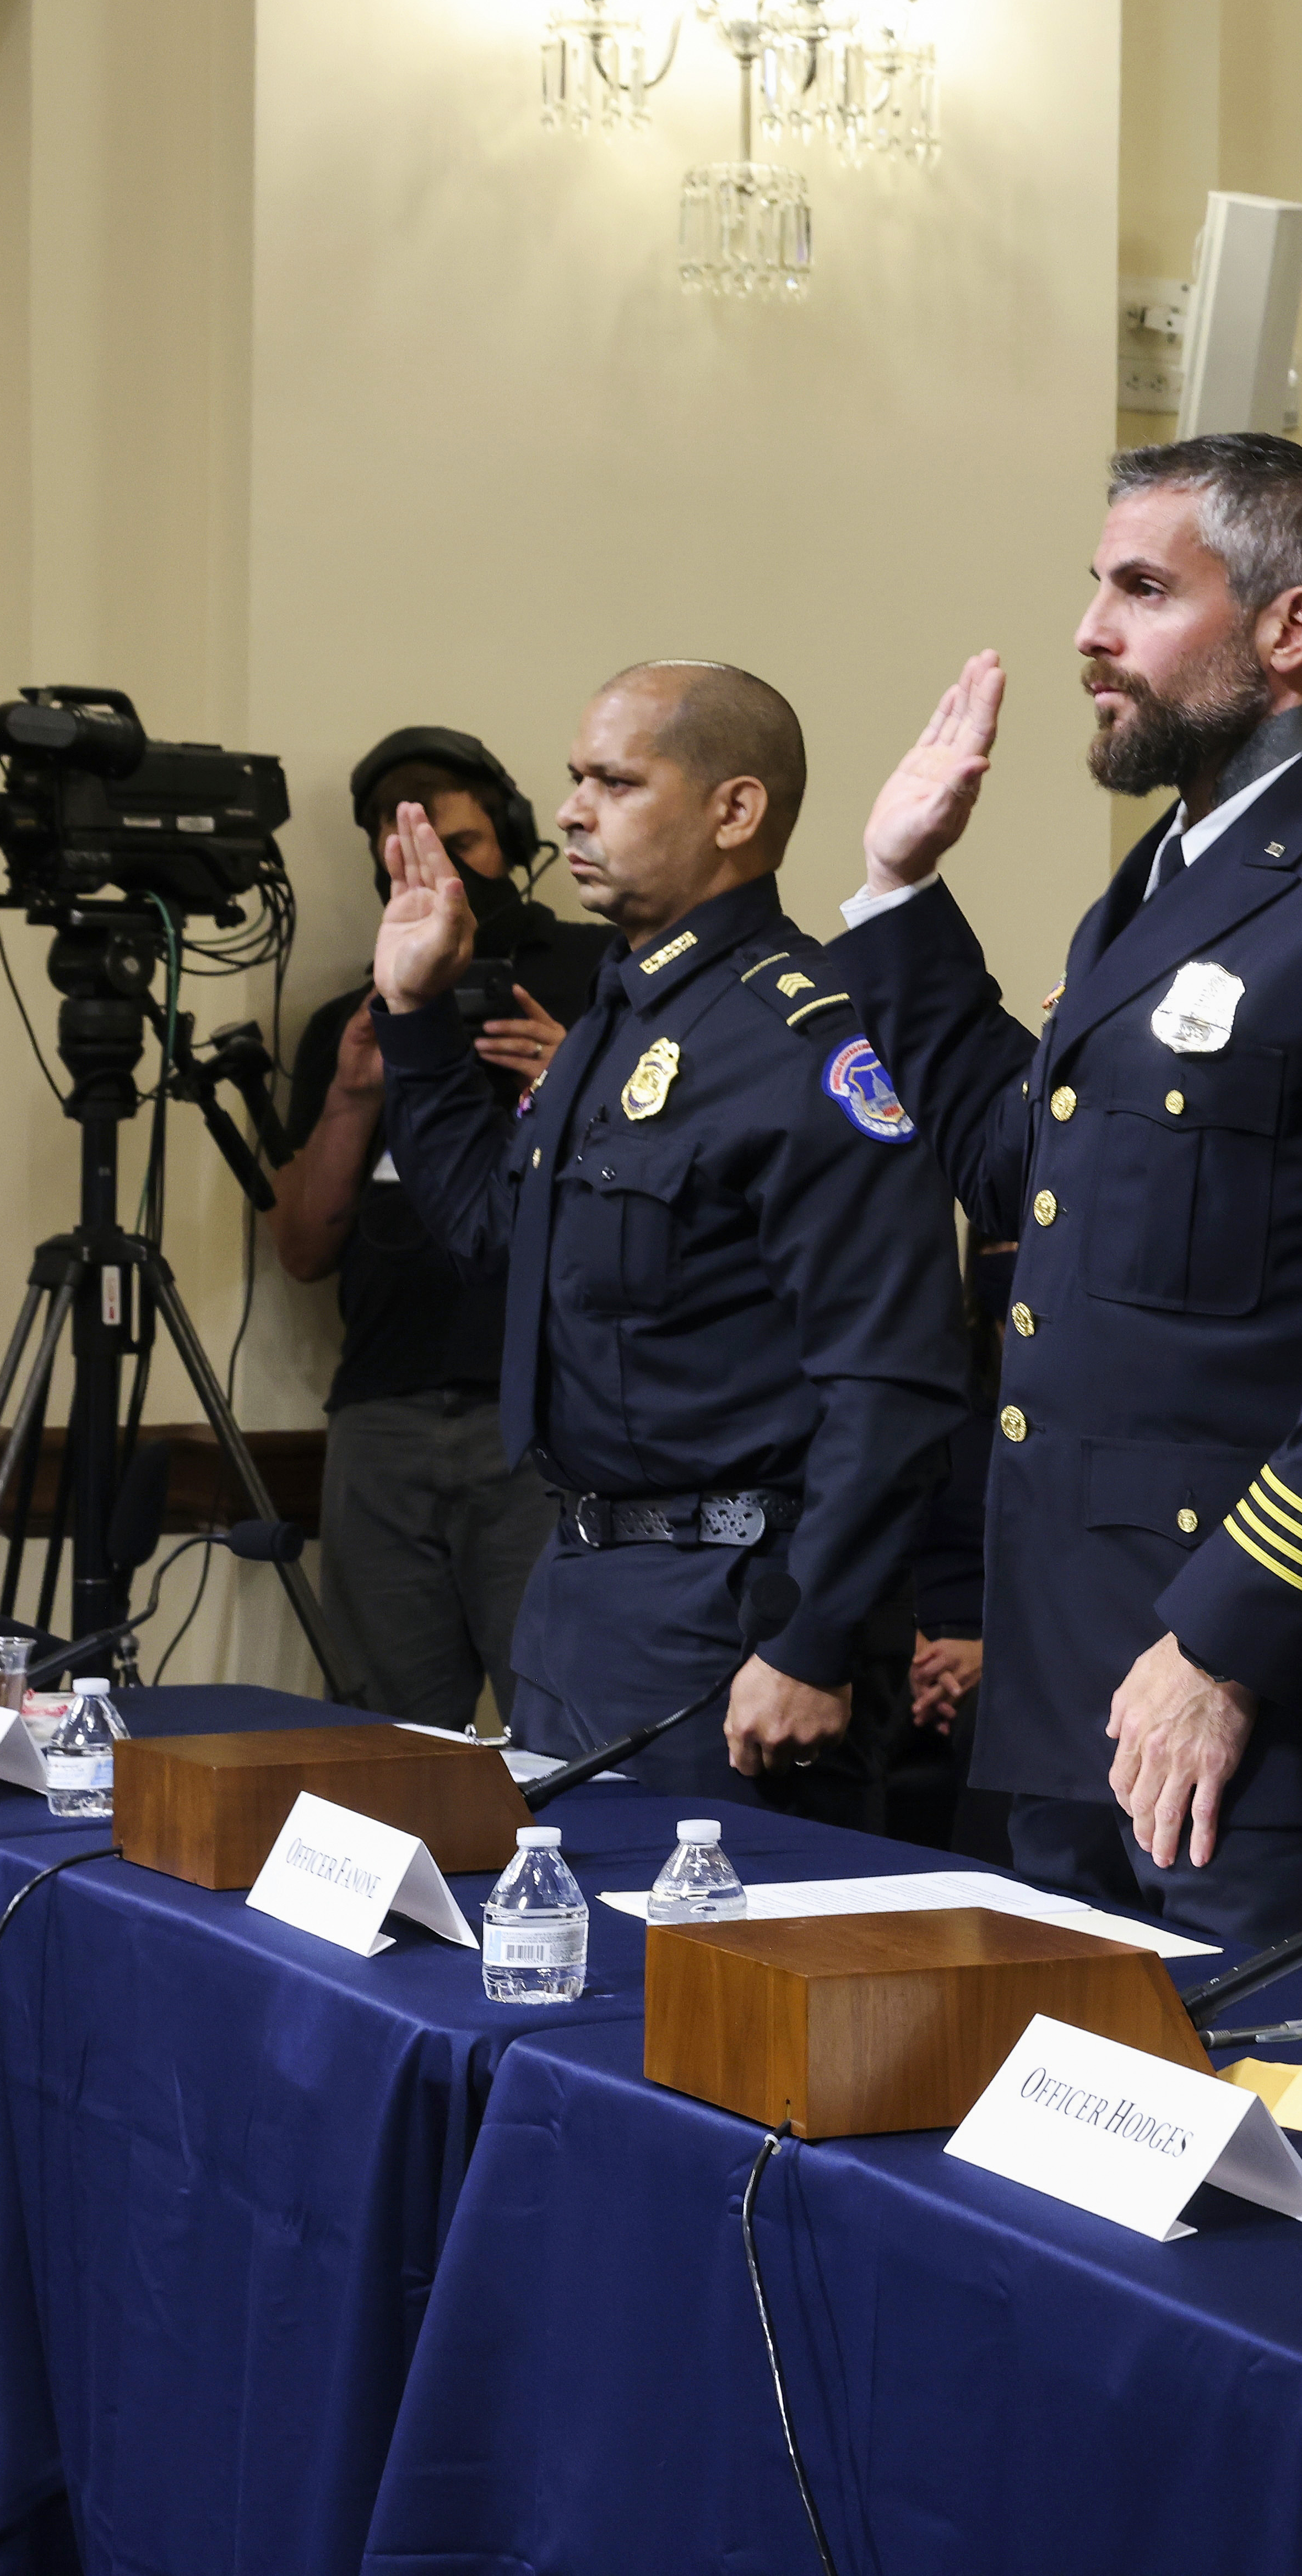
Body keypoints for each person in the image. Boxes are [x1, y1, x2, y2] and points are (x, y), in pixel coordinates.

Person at [838, 433, 1302, 1941]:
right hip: (1081, 1696)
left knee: (1262, 2162)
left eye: (1144, 590)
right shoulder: (1155, 900)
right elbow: (1024, 1182)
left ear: (1289, 630)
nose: (1091, 632)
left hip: (1260, 1717)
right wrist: (899, 901)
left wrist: (1228, 1643)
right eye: (1096, 589)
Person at [368, 663, 969, 1793]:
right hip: (579, 1588)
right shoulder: (619, 1012)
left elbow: (893, 1377)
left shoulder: (800, 1037)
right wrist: (413, 1021)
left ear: (734, 810)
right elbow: (493, 1234)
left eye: (614, 781)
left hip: (738, 1611)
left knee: (706, 1965)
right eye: (572, 779)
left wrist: (812, 1635)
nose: (568, 811)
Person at [273, 729, 590, 1724]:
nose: (446, 873)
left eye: (467, 846)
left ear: (515, 841)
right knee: (380, 1732)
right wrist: (355, 1092)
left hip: (548, 1417)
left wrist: (574, 1071)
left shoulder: (601, 976)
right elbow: (303, 1247)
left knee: (565, 1716)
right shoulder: (352, 1016)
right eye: (411, 854)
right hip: (384, 1410)